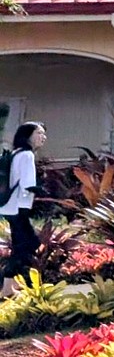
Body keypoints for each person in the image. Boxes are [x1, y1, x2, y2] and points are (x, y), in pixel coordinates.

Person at [2, 122, 47, 297]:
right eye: (39, 133)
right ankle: (10, 284)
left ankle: (12, 284)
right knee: (29, 245)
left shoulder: (16, 153)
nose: (43, 137)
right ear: (27, 135)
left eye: (43, 133)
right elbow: (27, 184)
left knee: (24, 245)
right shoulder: (27, 154)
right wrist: (40, 189)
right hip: (19, 207)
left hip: (10, 207)